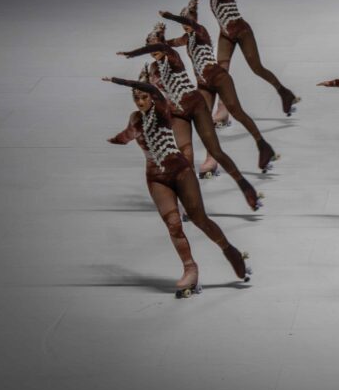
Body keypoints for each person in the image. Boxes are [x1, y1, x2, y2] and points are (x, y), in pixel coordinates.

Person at [104, 74, 252, 298]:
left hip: (180, 172)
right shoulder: (135, 118)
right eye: (137, 98)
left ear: (152, 97)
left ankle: (229, 250)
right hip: (156, 177)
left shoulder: (162, 110)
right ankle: (190, 268)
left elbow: (152, 93)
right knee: (173, 225)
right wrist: (116, 139)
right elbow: (127, 136)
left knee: (199, 218)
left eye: (144, 97)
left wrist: (122, 81)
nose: (141, 102)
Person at [118, 23, 264, 211]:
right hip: (178, 113)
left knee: (216, 151)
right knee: (185, 160)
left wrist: (133, 53)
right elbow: (150, 94)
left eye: (153, 45)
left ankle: (245, 186)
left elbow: (162, 47)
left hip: (195, 106)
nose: (151, 49)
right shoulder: (152, 70)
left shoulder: (172, 56)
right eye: (148, 46)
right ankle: (191, 203)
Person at [158, 0, 280, 174]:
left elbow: (186, 23)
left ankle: (262, 145)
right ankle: (211, 159)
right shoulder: (186, 38)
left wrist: (170, 16)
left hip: (219, 79)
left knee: (237, 112)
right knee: (205, 123)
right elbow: (168, 45)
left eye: (189, 21)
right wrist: (160, 41)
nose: (186, 25)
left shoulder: (201, 32)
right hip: (203, 85)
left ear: (195, 20)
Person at [176, 0, 300, 125]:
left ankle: (284, 92)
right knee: (221, 72)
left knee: (257, 68)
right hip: (226, 34)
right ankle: (223, 112)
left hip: (242, 32)